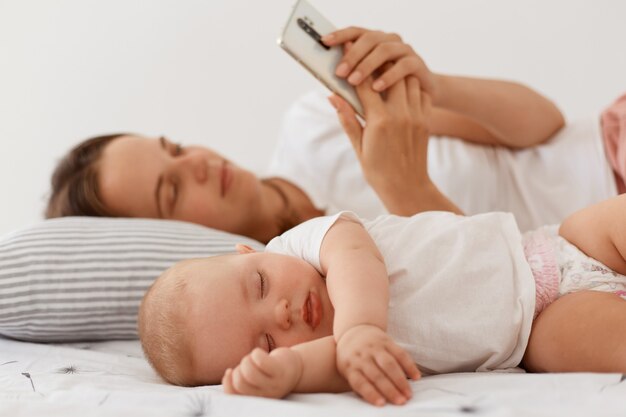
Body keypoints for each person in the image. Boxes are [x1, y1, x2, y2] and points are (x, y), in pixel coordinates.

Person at [44, 27, 581, 242]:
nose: (197, 165)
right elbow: (511, 286)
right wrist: (407, 190)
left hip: (598, 156)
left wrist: (431, 84)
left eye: (176, 149)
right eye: (172, 190)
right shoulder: (310, 281)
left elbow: (546, 122)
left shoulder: (314, 121)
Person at [138, 186, 626, 407]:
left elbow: (357, 259)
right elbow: (330, 365)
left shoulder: (310, 242)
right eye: (265, 342)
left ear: (252, 251)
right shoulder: (346, 353)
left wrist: (359, 330)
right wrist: (289, 373)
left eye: (260, 285)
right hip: (537, 329)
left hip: (554, 245)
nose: (282, 313)